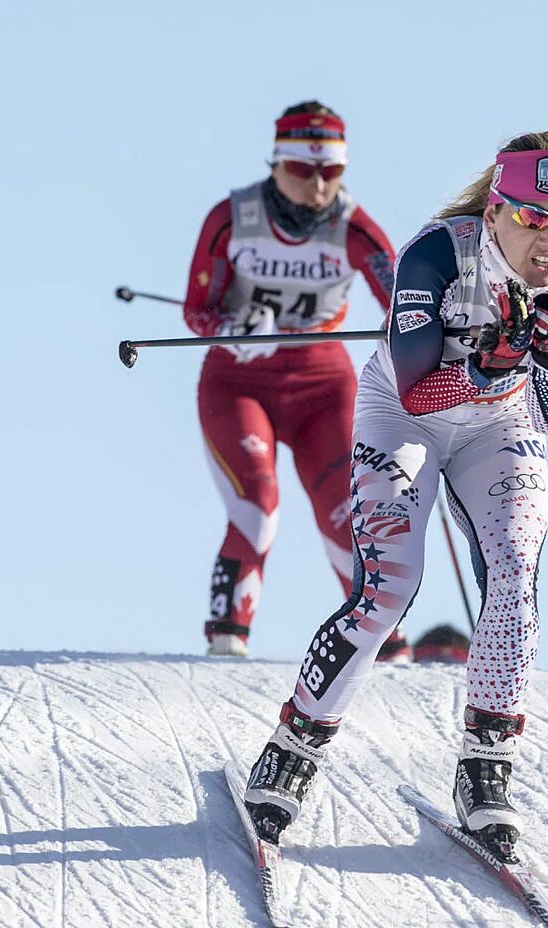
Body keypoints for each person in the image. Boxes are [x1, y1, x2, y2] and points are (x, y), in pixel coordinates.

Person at [239, 132, 548, 860]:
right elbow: (417, 385)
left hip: (502, 424)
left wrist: (546, 359)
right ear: (498, 208)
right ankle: (294, 746)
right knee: (391, 588)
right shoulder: (439, 255)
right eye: (534, 217)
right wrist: (489, 363)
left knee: (514, 572)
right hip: (405, 415)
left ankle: (486, 770)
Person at [182, 100, 408, 659]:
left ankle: (381, 638)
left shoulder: (355, 228)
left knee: (346, 513)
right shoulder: (232, 218)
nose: (318, 185)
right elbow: (195, 309)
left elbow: (407, 303)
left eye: (331, 171)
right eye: (304, 171)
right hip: (239, 384)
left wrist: (410, 340)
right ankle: (227, 636)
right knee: (257, 505)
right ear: (278, 162)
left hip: (323, 388)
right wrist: (231, 326)